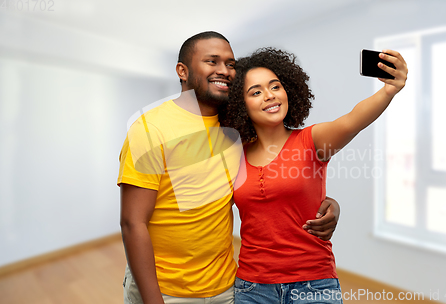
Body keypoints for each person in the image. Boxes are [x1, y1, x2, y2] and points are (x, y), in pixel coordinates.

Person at [117, 32, 340, 304]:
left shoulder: (238, 131)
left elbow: (276, 181)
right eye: (212, 61)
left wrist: (327, 203)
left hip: (226, 287)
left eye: (231, 64)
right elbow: (132, 223)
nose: (224, 70)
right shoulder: (150, 128)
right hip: (164, 290)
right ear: (182, 70)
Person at [219, 47, 408, 303]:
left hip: (313, 284)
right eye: (256, 92)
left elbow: (352, 120)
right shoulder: (234, 156)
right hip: (253, 288)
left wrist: (389, 90)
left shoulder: (312, 140)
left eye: (275, 87)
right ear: (241, 105)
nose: (269, 96)